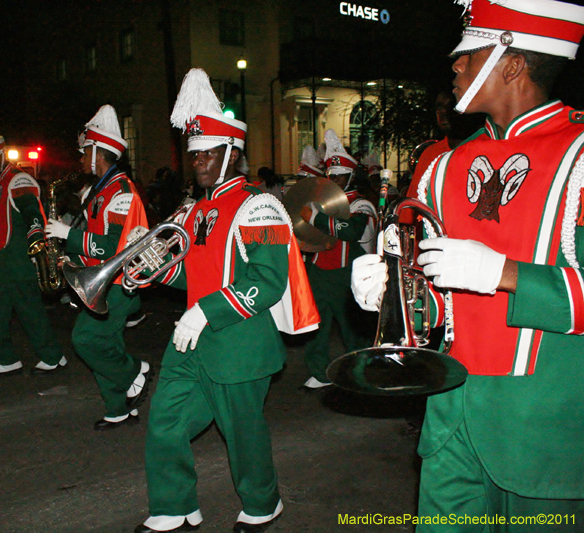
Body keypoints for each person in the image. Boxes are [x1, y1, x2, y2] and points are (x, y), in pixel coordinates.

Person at [352, 0, 584, 529]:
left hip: (544, 432)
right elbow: (438, 302)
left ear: (511, 63)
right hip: (450, 420)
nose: (454, 66)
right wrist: (395, 293)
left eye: (468, 53)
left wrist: (503, 272)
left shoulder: (581, 151)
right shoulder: (445, 165)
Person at [134, 68, 319, 533]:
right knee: (165, 419)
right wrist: (156, 270)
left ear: (232, 154)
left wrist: (205, 310)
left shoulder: (259, 206)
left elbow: (267, 281)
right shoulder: (196, 209)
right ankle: (174, 505)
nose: (197, 162)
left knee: (243, 434)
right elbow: (194, 275)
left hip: (238, 342)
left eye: (208, 154)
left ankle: (264, 502)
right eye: (194, 154)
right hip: (193, 339)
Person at [45, 105, 152, 429]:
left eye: (84, 152)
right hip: (105, 281)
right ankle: (118, 408)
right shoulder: (102, 189)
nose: (80, 159)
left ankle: (135, 372)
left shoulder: (120, 191)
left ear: (98, 152)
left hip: (120, 283)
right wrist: (69, 258)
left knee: (86, 340)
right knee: (108, 344)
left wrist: (68, 234)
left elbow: (113, 246)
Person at [0, 119, 67, 377]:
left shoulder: (17, 179)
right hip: (3, 259)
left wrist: (35, 239)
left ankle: (53, 357)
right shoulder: (1, 183)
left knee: (29, 311)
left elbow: (32, 212)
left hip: (18, 258)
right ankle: (7, 358)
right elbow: (7, 220)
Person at [299, 130, 376, 391]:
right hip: (320, 269)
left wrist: (316, 219)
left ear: (351, 175)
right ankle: (319, 371)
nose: (334, 179)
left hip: (348, 273)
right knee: (315, 326)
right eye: (330, 174)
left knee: (352, 330)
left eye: (339, 175)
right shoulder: (323, 199)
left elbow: (353, 231)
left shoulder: (361, 204)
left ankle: (359, 373)